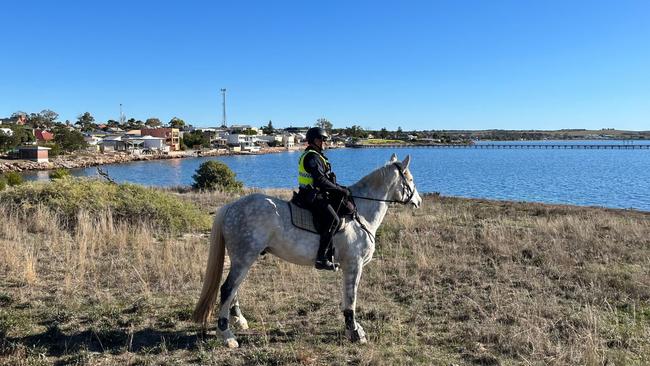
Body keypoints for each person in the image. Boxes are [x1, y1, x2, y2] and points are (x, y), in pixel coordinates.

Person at [298, 127, 351, 271]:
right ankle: (321, 258)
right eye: (322, 139)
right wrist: (339, 190)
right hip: (311, 195)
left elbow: (327, 179)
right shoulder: (312, 157)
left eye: (325, 139)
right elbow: (320, 180)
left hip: (315, 193)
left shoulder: (317, 155)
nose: (324, 142)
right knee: (333, 219)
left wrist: (341, 188)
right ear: (315, 141)